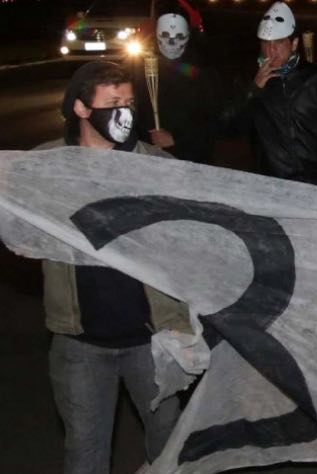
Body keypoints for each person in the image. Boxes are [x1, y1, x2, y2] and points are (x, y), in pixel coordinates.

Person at [33, 61, 191, 474]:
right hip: (80, 344)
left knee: (171, 451)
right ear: (82, 108)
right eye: (113, 102)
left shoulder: (156, 166)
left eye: (129, 102)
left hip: (152, 339)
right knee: (85, 455)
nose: (125, 112)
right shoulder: (46, 167)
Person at [225, 2, 317, 187]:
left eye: (278, 42)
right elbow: (230, 127)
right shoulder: (250, 80)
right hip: (275, 182)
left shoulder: (316, 77)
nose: (271, 50)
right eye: (265, 43)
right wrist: (255, 89)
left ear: (294, 43)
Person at [132, 11, 220, 165]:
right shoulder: (143, 68)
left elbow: (215, 120)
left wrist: (176, 139)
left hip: (191, 158)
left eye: (179, 37)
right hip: (151, 158)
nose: (172, 42)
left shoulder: (202, 72)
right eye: (165, 35)